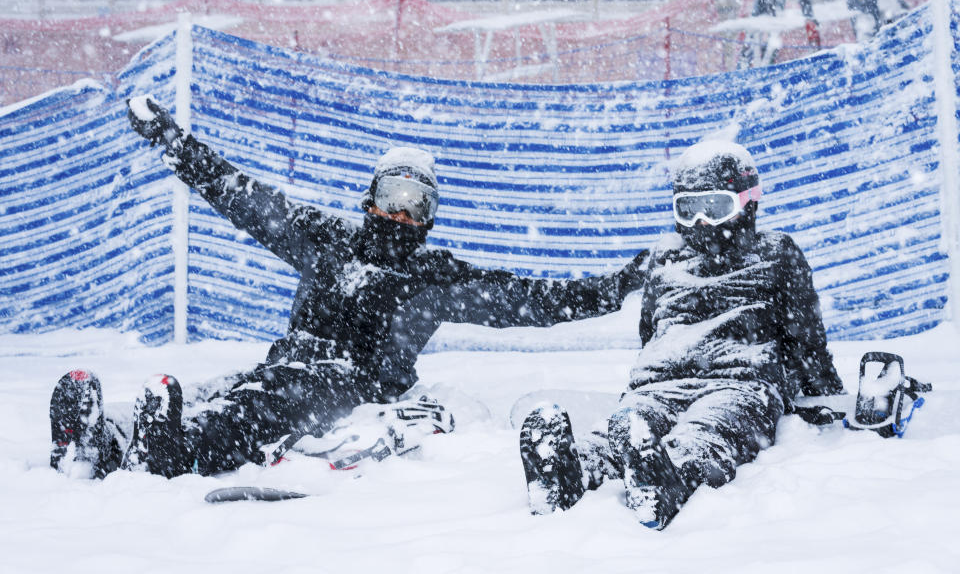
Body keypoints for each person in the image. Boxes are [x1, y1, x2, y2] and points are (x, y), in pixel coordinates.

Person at [49, 95, 648, 479]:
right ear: (371, 198)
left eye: (417, 206)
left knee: (256, 406)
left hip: (351, 385)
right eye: (393, 198)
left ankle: (178, 450)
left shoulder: (434, 276)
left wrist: (616, 286)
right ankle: (107, 435)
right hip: (288, 361)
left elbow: (530, 300)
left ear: (431, 218)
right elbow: (241, 196)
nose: (401, 215)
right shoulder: (325, 237)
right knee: (226, 386)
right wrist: (172, 143)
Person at [519, 140, 844, 530]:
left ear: (748, 203)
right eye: (688, 210)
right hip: (663, 382)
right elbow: (652, 332)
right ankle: (571, 469)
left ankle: (669, 475)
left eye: (716, 207)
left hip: (739, 383)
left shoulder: (775, 253)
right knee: (630, 425)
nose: (702, 223)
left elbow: (805, 338)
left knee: (709, 428)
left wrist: (822, 390)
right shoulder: (665, 255)